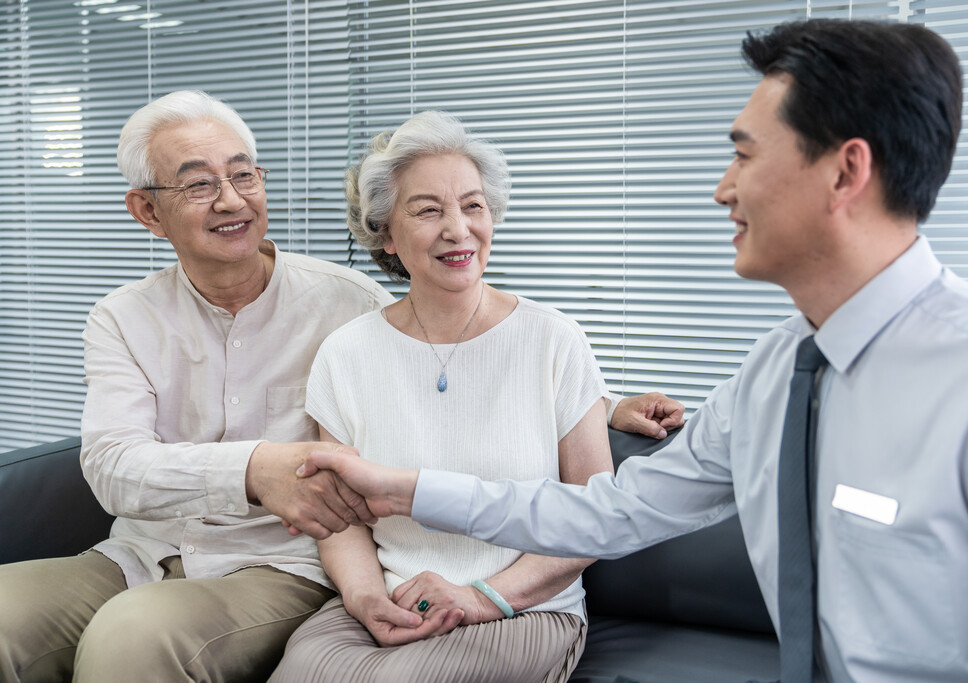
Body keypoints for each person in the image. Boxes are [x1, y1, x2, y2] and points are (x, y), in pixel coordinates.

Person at [303, 19, 968, 683]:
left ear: (845, 171)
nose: (721, 189)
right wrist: (407, 490)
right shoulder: (775, 373)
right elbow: (611, 511)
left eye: (744, 155)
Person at [0, 91, 677, 682]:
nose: (233, 199)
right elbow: (114, 467)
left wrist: (601, 402)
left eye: (244, 175)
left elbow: (497, 358)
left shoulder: (341, 302)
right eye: (201, 183)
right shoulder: (142, 319)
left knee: (132, 639)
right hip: (155, 551)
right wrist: (262, 476)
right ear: (148, 212)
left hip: (294, 564)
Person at [269, 111, 615, 683]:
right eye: (428, 210)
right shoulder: (346, 353)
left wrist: (479, 595)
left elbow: (593, 517)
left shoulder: (554, 338)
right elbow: (341, 519)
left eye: (473, 206)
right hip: (390, 598)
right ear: (385, 232)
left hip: (519, 608)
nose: (458, 229)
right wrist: (364, 599)